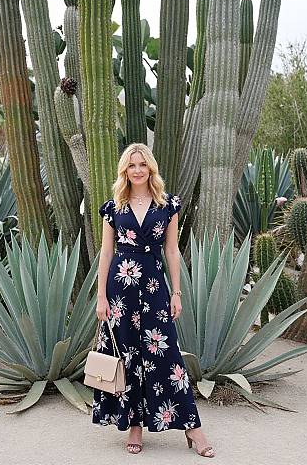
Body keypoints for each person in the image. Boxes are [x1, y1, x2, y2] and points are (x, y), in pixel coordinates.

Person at [92, 143, 215, 458]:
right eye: (131, 165)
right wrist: (101, 295)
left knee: (167, 356)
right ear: (125, 170)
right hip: (120, 290)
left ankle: (192, 427)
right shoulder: (113, 208)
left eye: (142, 165)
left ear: (150, 168)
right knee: (129, 357)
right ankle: (134, 426)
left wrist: (176, 291)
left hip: (154, 287)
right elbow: (106, 252)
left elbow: (172, 251)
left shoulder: (167, 205)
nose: (136, 170)